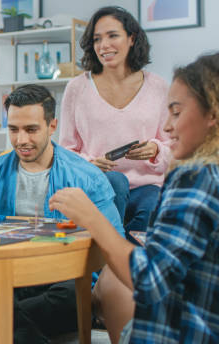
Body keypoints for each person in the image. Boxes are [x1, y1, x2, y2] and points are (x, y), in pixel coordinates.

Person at [0, 84, 124, 343]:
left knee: (70, 297)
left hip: (61, 278)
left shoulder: (87, 177)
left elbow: (114, 243)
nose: (21, 140)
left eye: (31, 130)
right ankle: (10, 321)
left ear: (52, 126)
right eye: (13, 129)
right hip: (10, 275)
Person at [49, 52, 219, 343]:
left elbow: (149, 280)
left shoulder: (196, 180)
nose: (166, 127)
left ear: (212, 115)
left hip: (180, 333)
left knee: (109, 281)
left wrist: (91, 217)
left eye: (177, 112)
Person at [59, 6, 171, 236]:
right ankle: (113, 262)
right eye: (97, 39)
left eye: (112, 36)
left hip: (147, 186)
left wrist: (155, 149)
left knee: (150, 210)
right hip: (98, 184)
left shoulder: (158, 86)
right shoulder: (76, 88)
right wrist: (89, 164)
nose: (104, 45)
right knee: (115, 181)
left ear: (131, 38)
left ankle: (117, 266)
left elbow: (175, 146)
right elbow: (66, 151)